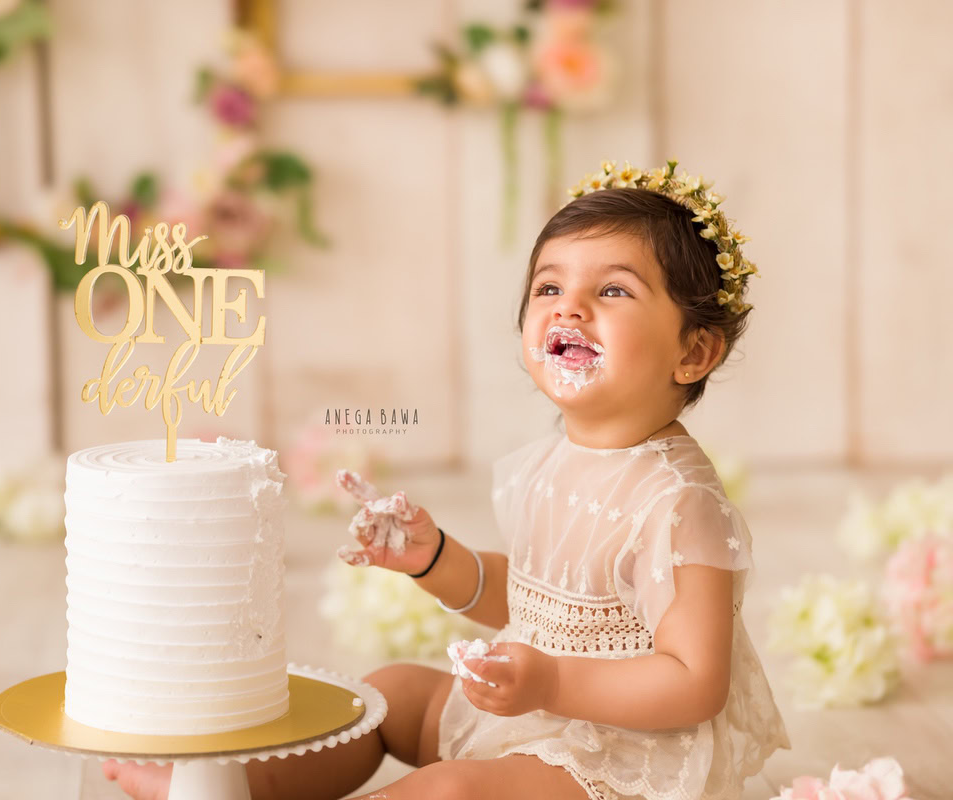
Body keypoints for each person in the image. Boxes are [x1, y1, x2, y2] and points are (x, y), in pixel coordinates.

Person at [102, 159, 791, 799]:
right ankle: (226, 788)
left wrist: (551, 680)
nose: (568, 307)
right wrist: (434, 560)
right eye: (549, 286)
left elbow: (694, 683)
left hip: (621, 758)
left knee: (453, 791)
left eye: (611, 290)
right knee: (391, 693)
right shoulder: (558, 457)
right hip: (535, 710)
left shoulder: (679, 503)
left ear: (693, 352)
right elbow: (531, 603)